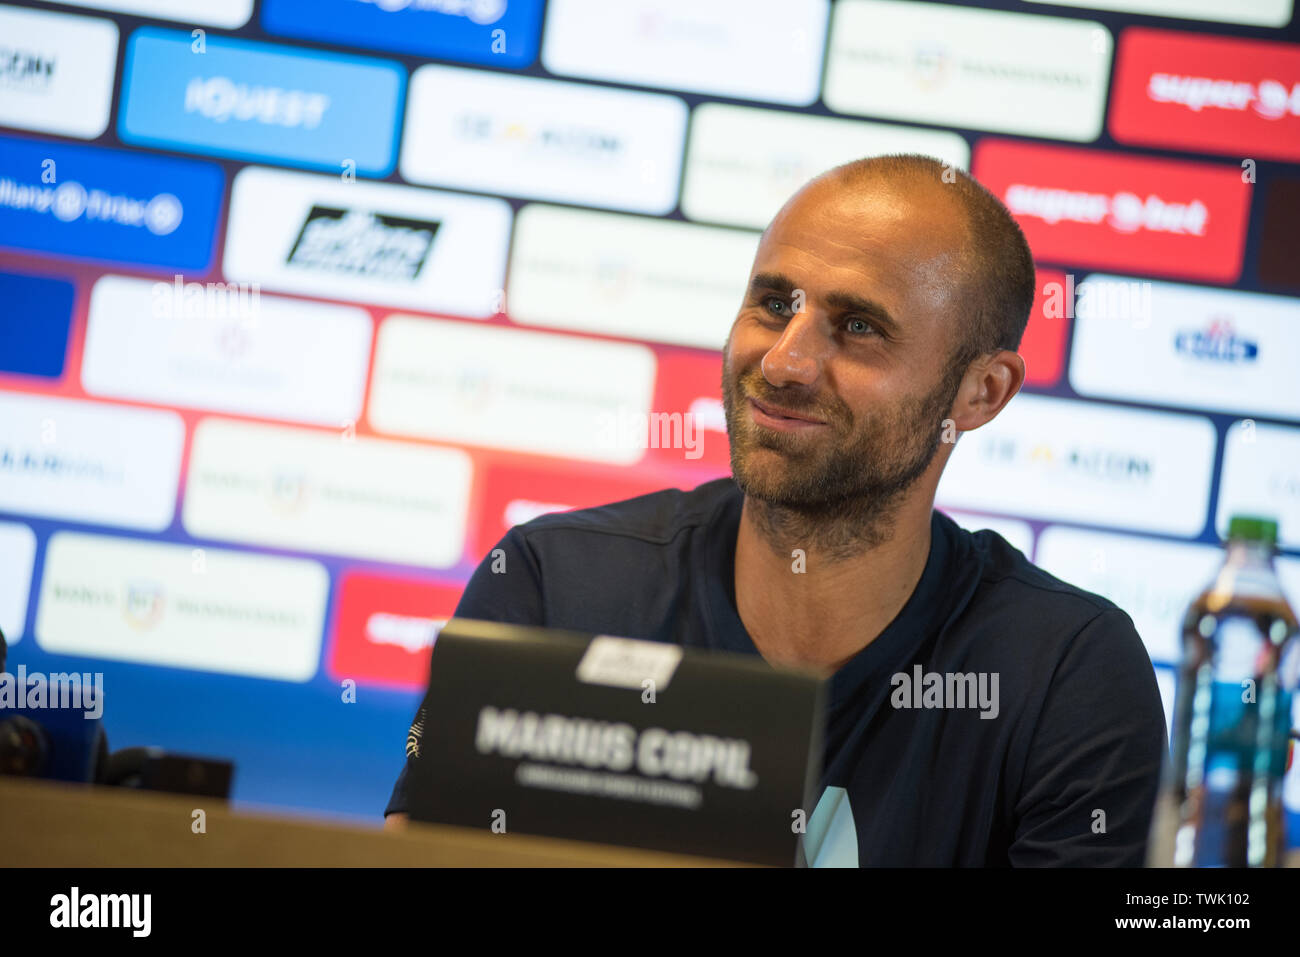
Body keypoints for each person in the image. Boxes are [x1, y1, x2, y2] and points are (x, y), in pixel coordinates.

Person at [382, 154, 1168, 866]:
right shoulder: (555, 587)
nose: (786, 361)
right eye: (772, 304)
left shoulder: (1067, 673)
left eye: (858, 327)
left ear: (979, 392)